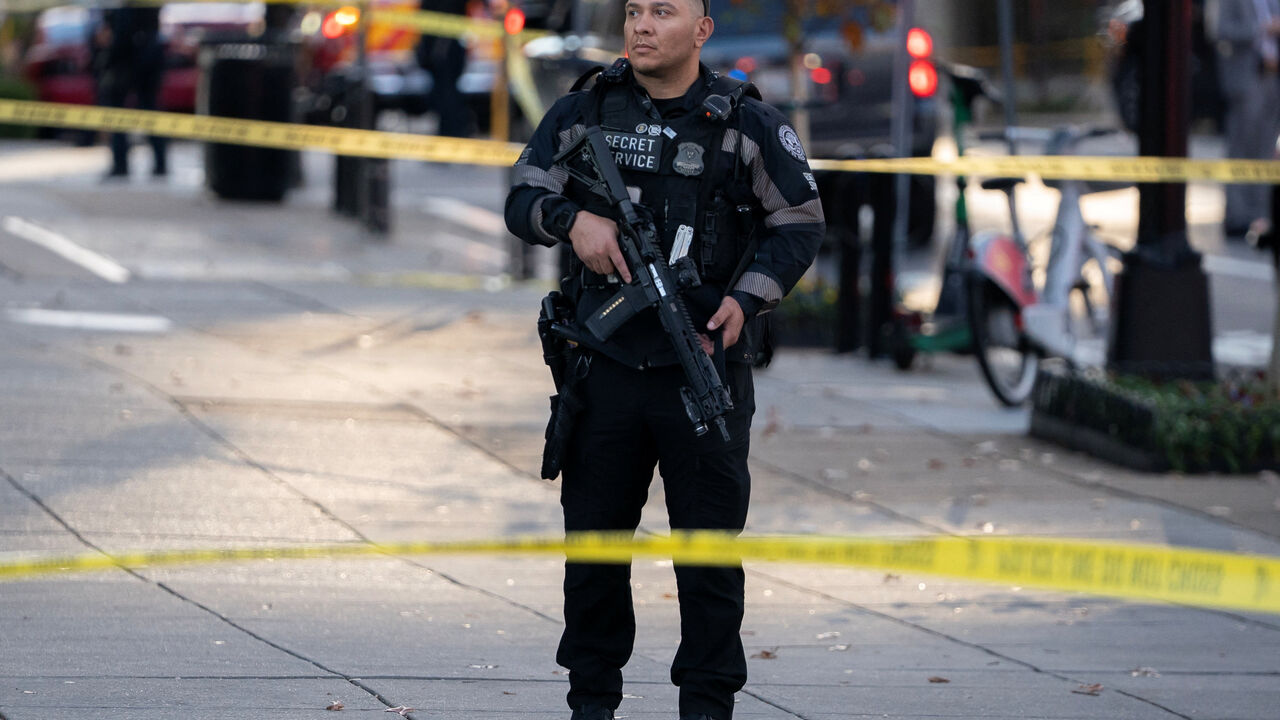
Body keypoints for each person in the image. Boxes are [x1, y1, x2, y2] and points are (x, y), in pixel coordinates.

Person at [504, 2, 823, 719]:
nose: (642, 25)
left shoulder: (743, 123)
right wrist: (572, 221)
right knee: (593, 552)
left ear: (702, 31)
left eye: (663, 11)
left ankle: (706, 705)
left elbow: (799, 222)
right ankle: (592, 701)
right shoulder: (585, 110)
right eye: (634, 10)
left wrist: (746, 300)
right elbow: (523, 196)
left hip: (702, 371)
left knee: (708, 557)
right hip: (604, 369)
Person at [1209, 0, 1280, 238]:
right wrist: (1261, 28)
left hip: (1272, 78)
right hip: (1245, 79)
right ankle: (1237, 217)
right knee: (1241, 149)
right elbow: (1220, 31)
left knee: (1266, 151)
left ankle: (1260, 216)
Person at [97, 5, 167, 179]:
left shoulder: (125, 9)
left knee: (119, 114)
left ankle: (121, 165)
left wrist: (107, 61)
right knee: (150, 111)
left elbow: (121, 34)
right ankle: (160, 164)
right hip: (148, 60)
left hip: (127, 63)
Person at [415, 0, 471, 137]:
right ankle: (452, 128)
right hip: (441, 42)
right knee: (445, 88)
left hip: (445, 43)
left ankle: (452, 129)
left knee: (446, 88)